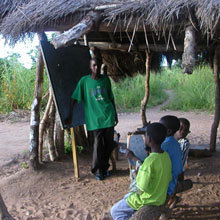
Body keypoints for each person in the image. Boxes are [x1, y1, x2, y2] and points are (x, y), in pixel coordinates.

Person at [65, 57, 118, 181]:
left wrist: (115, 113)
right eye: (94, 65)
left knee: (110, 143)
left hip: (108, 116)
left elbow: (111, 98)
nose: (96, 68)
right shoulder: (84, 81)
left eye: (98, 65)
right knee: (98, 145)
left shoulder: (105, 80)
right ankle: (97, 170)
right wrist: (70, 115)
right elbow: (74, 98)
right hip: (94, 119)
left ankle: (104, 167)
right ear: (90, 67)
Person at [111, 123, 172, 220]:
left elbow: (141, 187)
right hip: (159, 197)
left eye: (146, 135)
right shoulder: (166, 157)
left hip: (146, 200)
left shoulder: (149, 162)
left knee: (115, 211)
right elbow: (167, 177)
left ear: (149, 139)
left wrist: (135, 174)